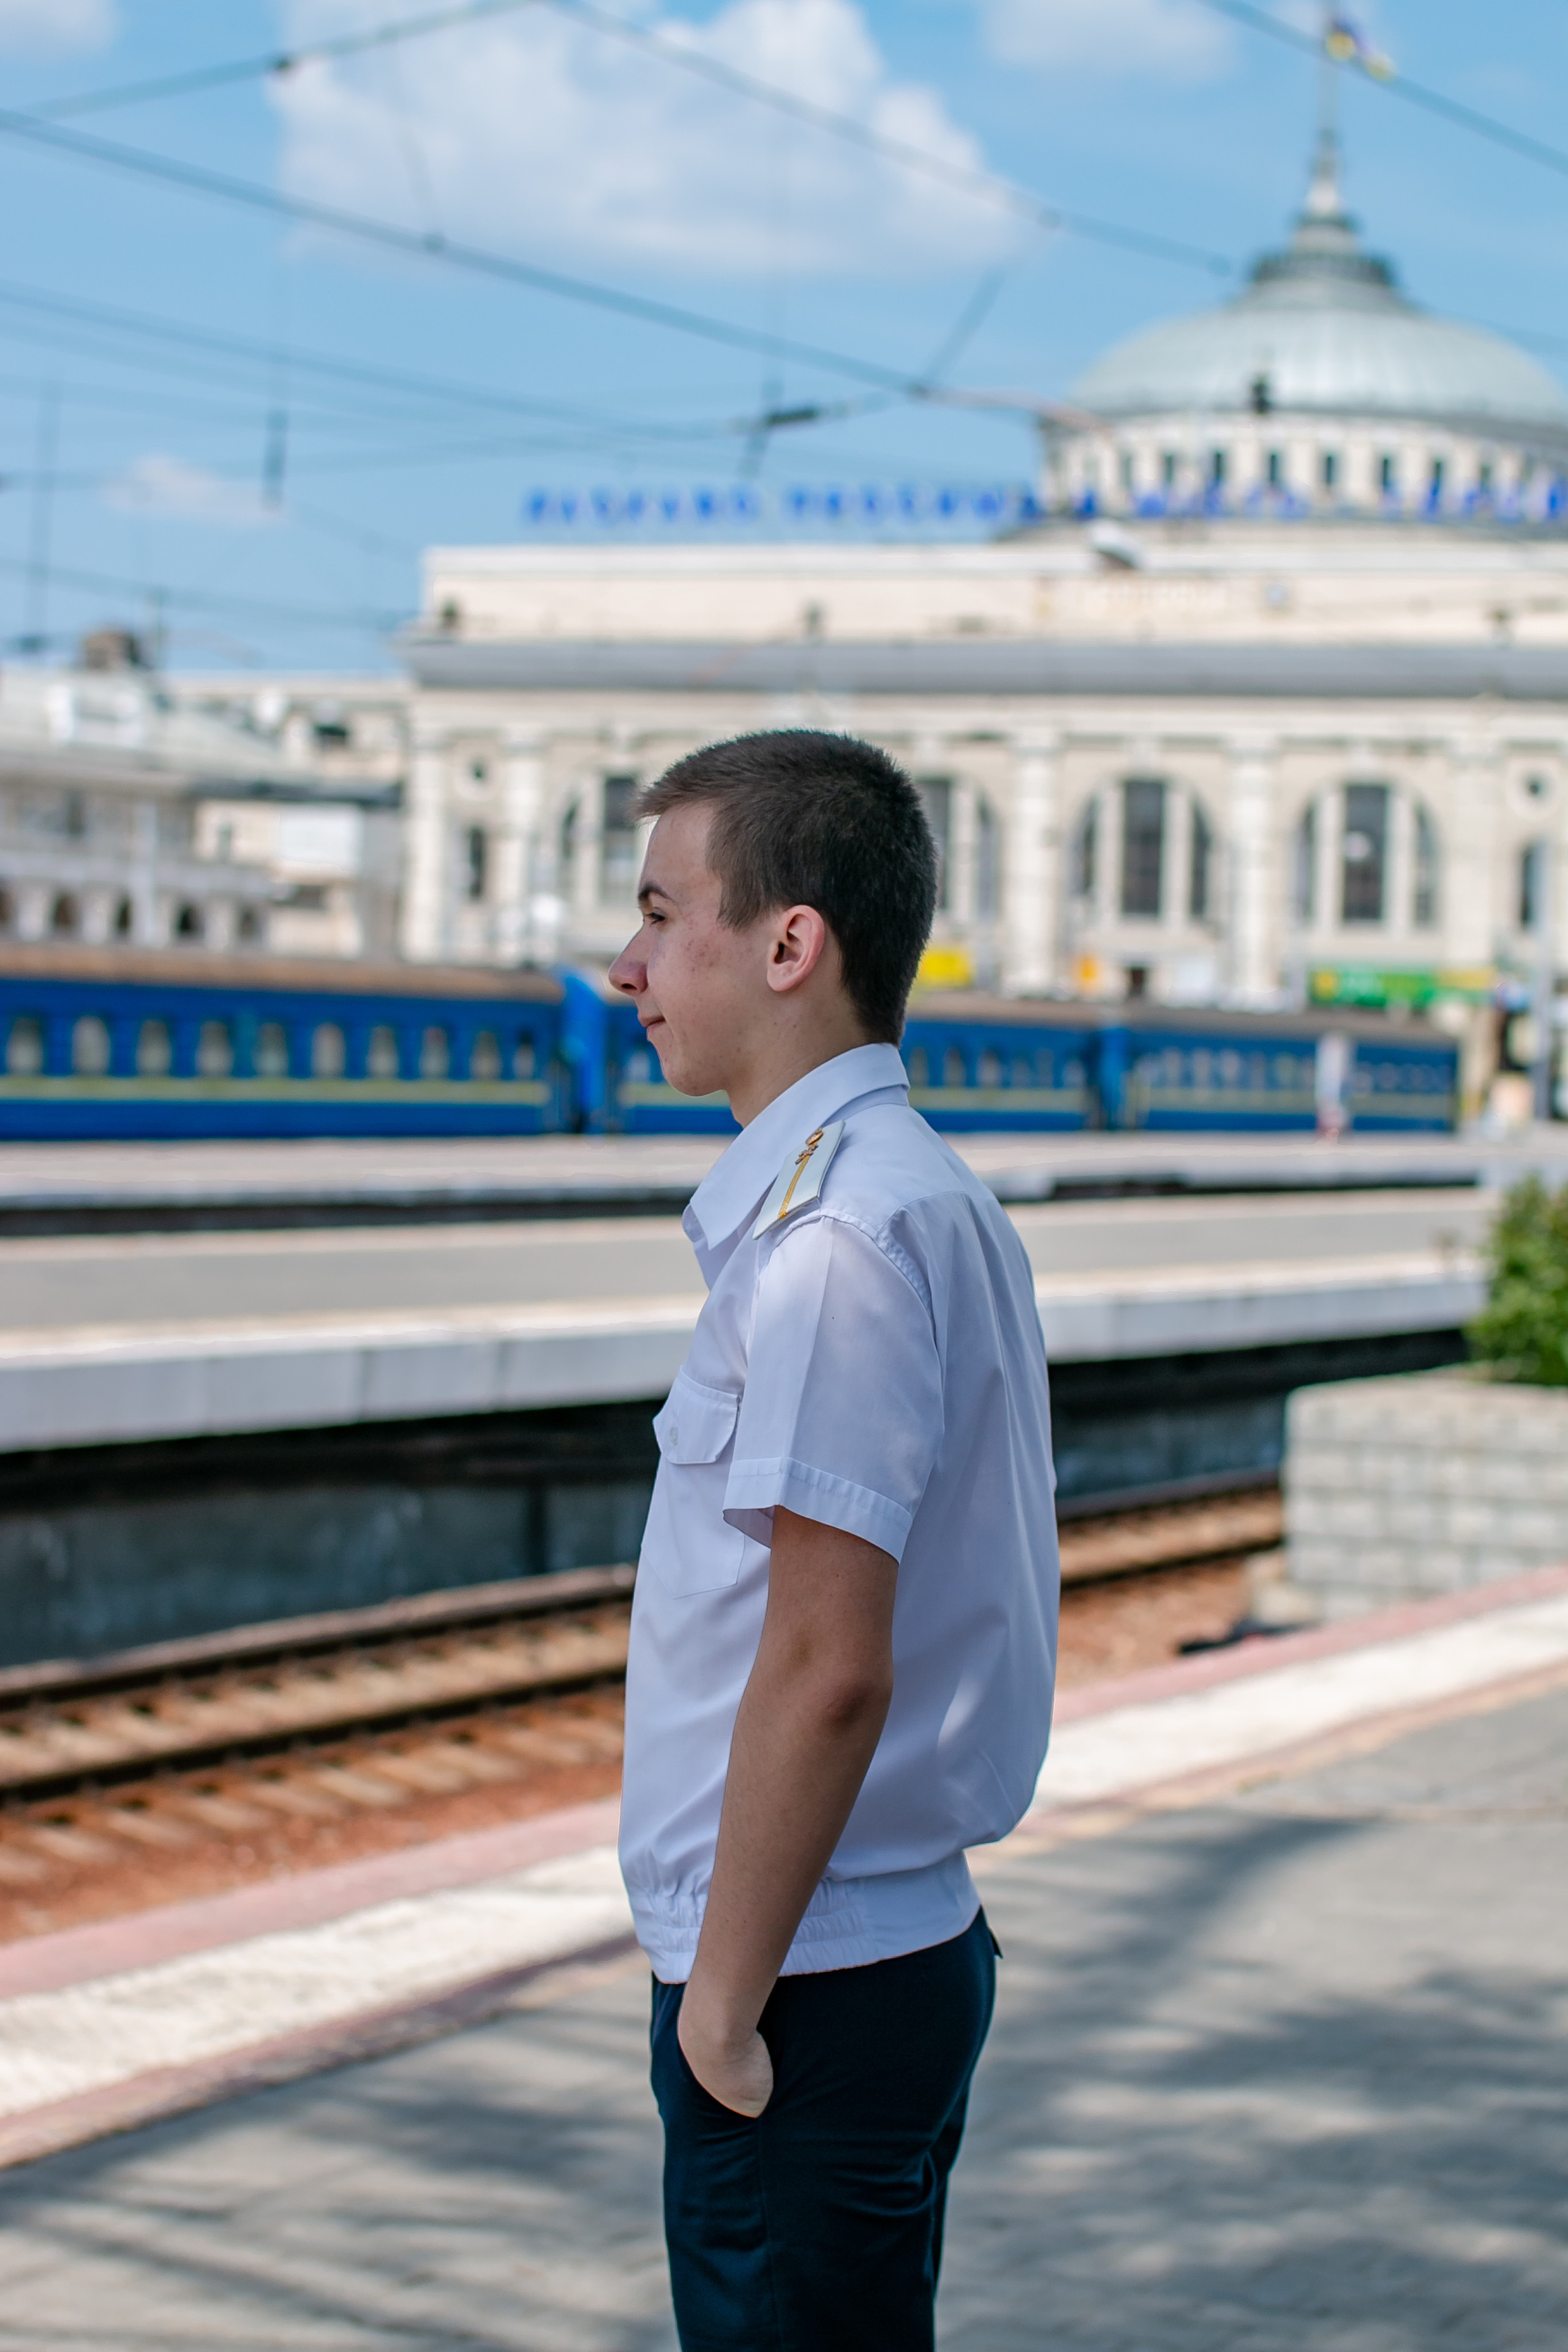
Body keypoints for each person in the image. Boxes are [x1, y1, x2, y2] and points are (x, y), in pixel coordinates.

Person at [608, 729, 1059, 2352]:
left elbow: (823, 1668)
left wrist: (719, 2009)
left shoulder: (834, 1245)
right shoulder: (916, 1197)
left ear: (791, 943)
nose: (627, 964)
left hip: (806, 1984)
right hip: (869, 1954)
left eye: (664, 914)